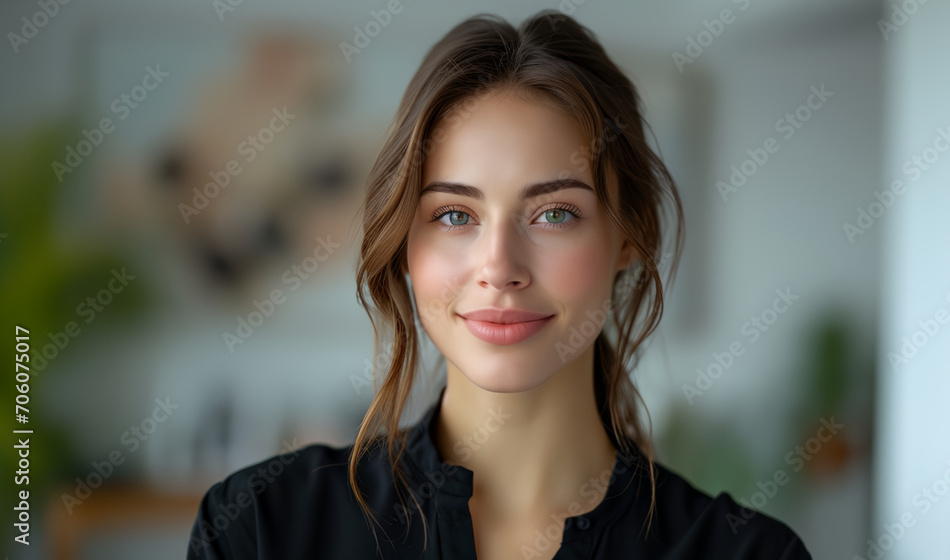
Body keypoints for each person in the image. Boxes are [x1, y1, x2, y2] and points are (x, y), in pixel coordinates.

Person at [186, 10, 812, 559]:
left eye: (554, 214)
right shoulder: (260, 529)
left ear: (629, 237)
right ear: (405, 240)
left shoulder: (748, 552)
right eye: (454, 216)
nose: (499, 265)